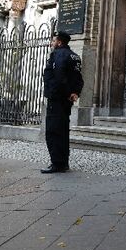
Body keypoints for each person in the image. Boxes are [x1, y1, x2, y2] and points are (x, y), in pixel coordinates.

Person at [42, 31, 83, 173]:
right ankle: (63, 162)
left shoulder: (58, 55)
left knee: (53, 131)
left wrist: (65, 93)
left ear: (59, 42)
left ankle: (57, 163)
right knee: (63, 130)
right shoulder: (75, 56)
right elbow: (78, 78)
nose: (52, 43)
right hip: (67, 99)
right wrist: (75, 93)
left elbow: (59, 78)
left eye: (53, 41)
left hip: (57, 98)